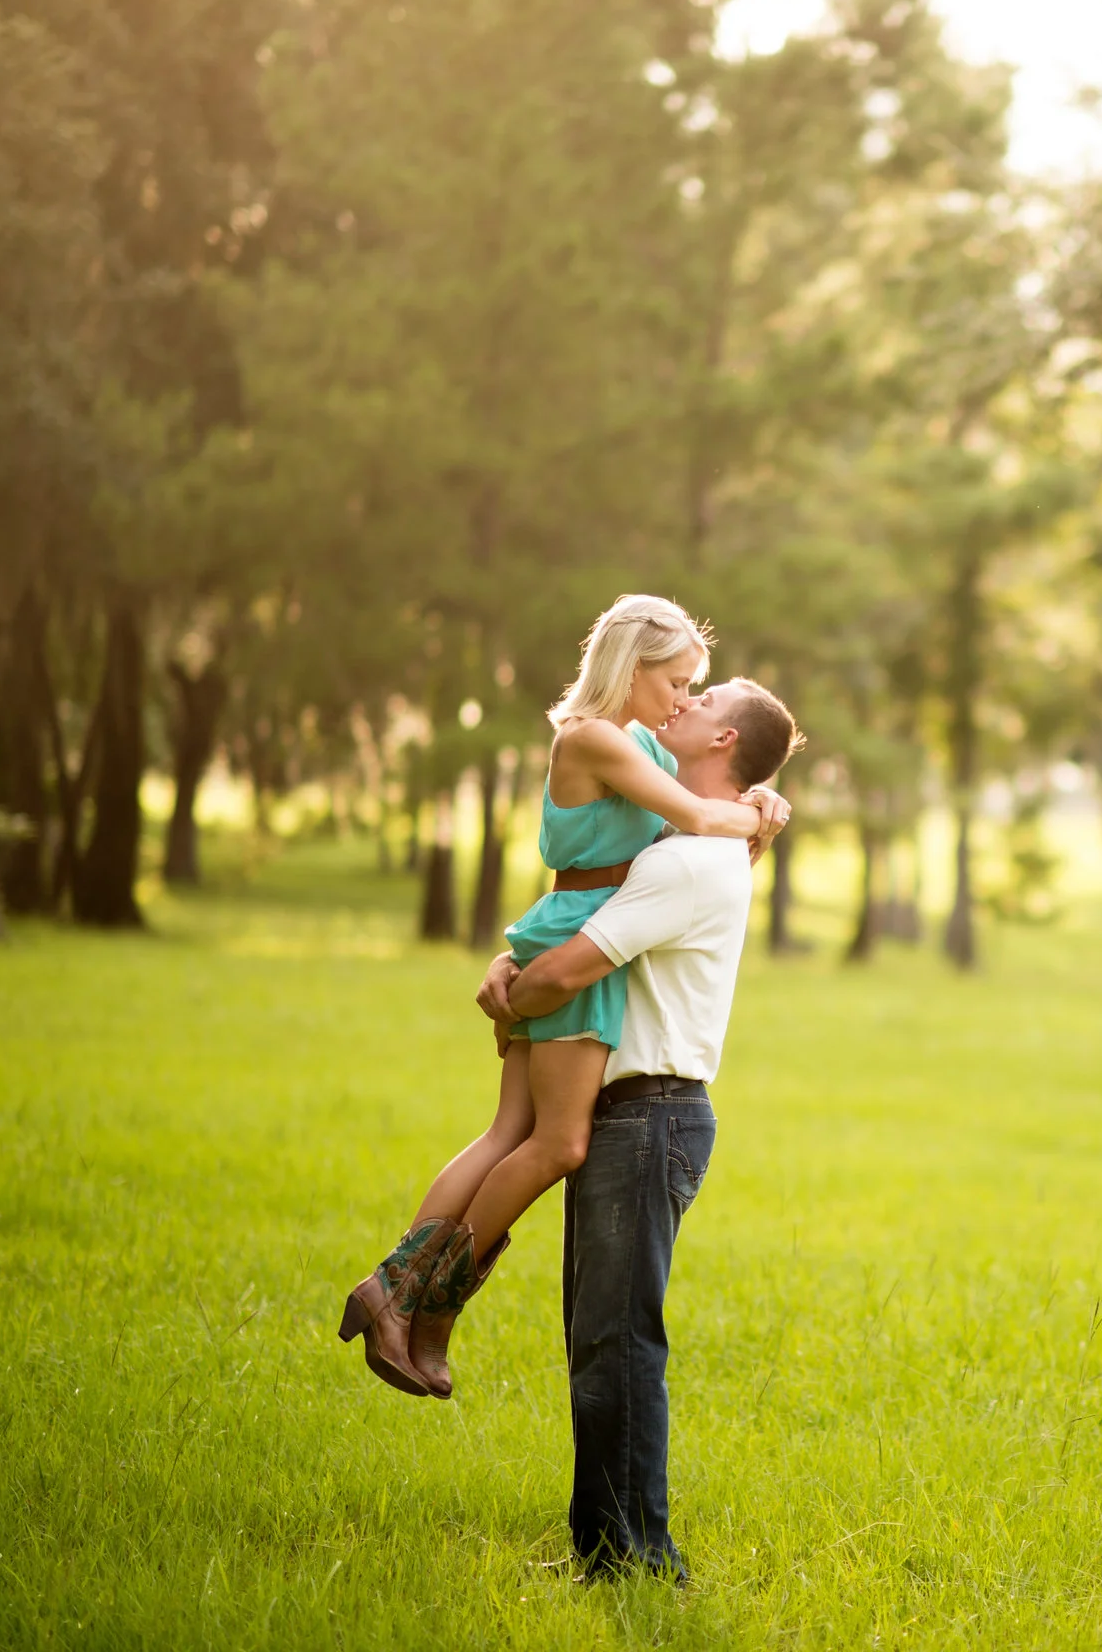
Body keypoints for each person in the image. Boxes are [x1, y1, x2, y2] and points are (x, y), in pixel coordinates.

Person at [338, 595, 790, 1400]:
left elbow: (688, 798)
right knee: (558, 1144)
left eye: (697, 687)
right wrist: (755, 808)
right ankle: (419, 1300)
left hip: (566, 922)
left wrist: (761, 795)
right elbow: (688, 813)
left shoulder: (634, 738)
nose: (685, 698)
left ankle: (394, 1293)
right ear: (633, 665)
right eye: (679, 680)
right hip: (584, 934)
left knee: (509, 1131)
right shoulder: (600, 737)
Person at [473, 674, 804, 1583]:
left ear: (723, 739)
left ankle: (638, 1561)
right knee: (599, 1341)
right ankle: (605, 1548)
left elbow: (565, 972)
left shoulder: (689, 857)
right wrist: (515, 955)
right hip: (636, 1114)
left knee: (619, 1343)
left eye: (701, 701)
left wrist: (511, 989)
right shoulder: (680, 840)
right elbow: (582, 912)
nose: (678, 706)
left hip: (649, 1115)